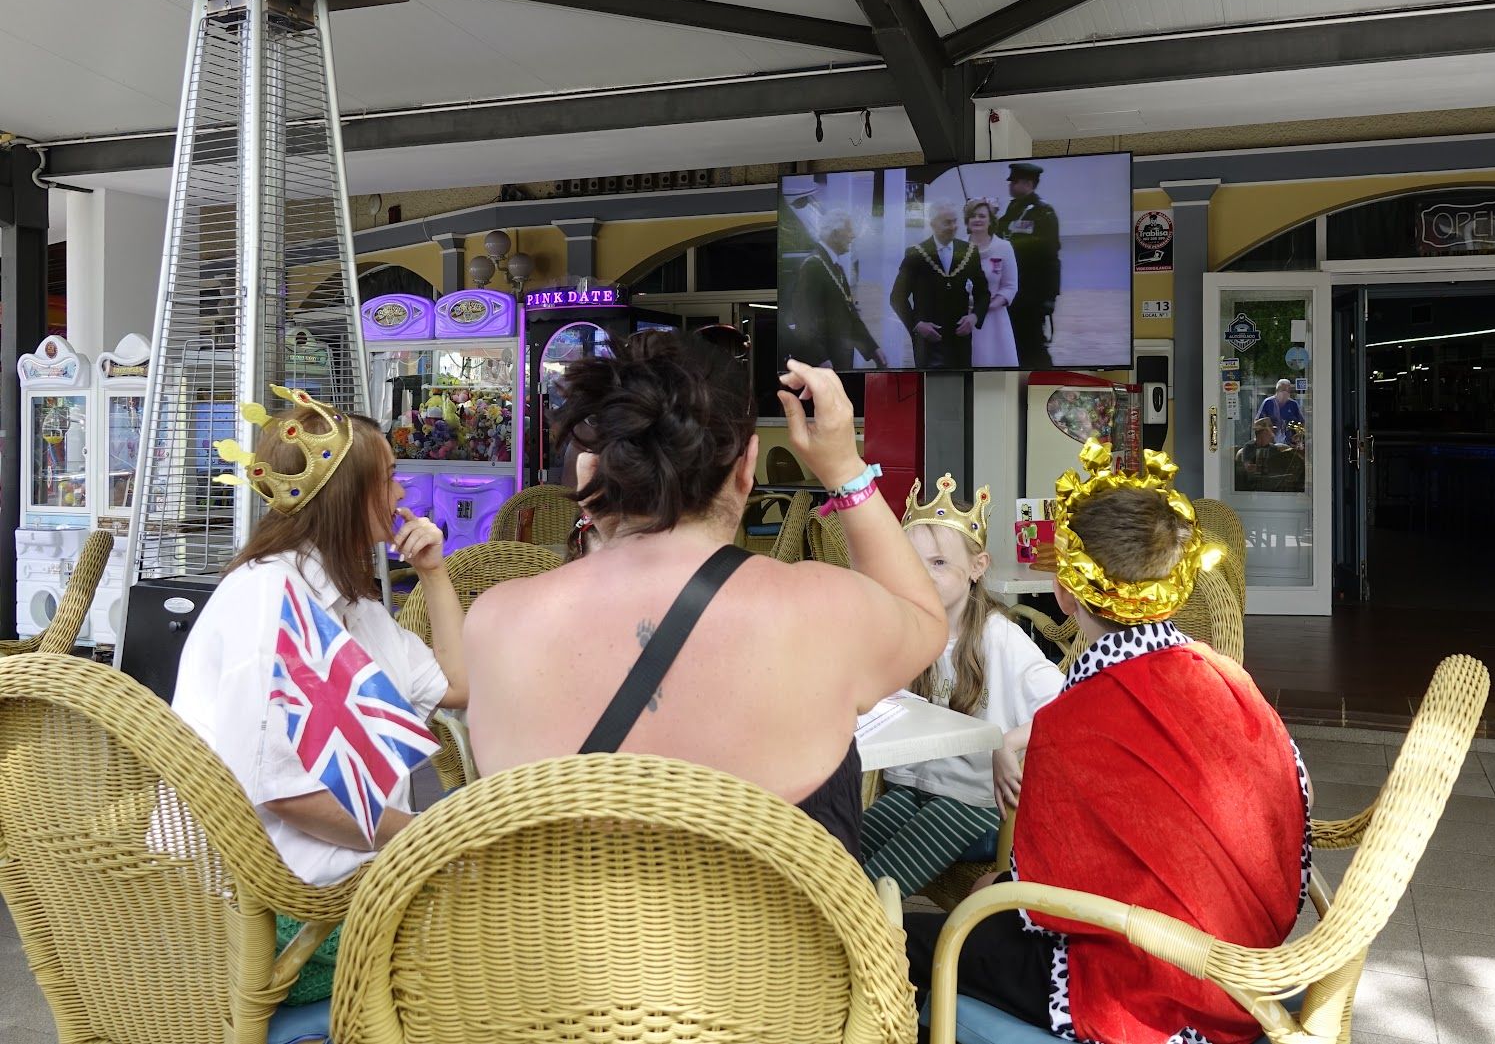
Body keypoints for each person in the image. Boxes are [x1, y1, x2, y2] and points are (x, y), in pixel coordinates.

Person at [463, 335, 947, 856]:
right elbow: (924, 617)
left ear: (600, 471)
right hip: (778, 937)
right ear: (747, 466)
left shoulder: (497, 622)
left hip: (559, 937)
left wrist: (595, 518)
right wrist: (844, 470)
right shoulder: (824, 611)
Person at [905, 446, 1311, 1044]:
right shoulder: (1231, 681)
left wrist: (996, 887)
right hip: (1253, 968)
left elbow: (1041, 899)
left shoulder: (1075, 723)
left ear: (1066, 595)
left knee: (910, 940)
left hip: (1154, 987)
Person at [173, 386, 467, 1002]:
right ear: (346, 497)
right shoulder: (268, 600)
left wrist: (437, 573)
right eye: (388, 479)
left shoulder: (348, 603)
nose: (402, 495)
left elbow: (457, 686)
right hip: (278, 916)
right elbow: (288, 798)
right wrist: (426, 836)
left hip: (338, 890)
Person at [859, 474, 1062, 897]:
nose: (922, 576)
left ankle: (860, 946)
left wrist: (1005, 743)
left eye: (938, 563)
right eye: (912, 563)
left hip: (976, 806)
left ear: (977, 567)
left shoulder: (998, 637)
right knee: (842, 850)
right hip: (914, 788)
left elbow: (1070, 704)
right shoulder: (906, 629)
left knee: (878, 882)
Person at [889, 203, 991, 370]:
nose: (953, 227)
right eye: (947, 222)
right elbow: (896, 297)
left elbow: (984, 294)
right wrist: (917, 325)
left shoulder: (969, 251)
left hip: (960, 339)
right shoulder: (916, 254)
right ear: (933, 225)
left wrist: (974, 317)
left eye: (955, 221)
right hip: (929, 340)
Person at [786, 207, 888, 370]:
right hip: (825, 364)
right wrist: (820, 359)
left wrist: (872, 348)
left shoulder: (834, 267)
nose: (853, 236)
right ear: (835, 234)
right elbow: (804, 319)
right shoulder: (813, 265)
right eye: (849, 231)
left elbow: (849, 314)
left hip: (837, 361)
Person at [995, 161, 1061, 368]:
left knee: (1033, 344)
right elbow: (999, 239)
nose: (1010, 186)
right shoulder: (1012, 210)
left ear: (1027, 183)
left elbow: (1051, 258)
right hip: (1010, 291)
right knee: (1013, 343)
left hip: (1032, 294)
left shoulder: (1043, 213)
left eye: (1013, 182)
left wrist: (1050, 298)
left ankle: (1046, 379)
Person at [964, 198, 1019, 368]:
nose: (977, 219)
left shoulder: (1004, 247)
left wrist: (986, 307)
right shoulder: (958, 249)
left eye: (982, 216)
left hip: (994, 320)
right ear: (967, 221)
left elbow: (1010, 286)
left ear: (990, 220)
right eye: (972, 216)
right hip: (964, 319)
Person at [1257, 378, 1305, 443]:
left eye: (1288, 390)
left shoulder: (1293, 404)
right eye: (1284, 390)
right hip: (1270, 442)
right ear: (1277, 390)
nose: (1286, 392)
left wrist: (1297, 435)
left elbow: (1301, 422)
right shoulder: (1268, 402)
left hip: (1289, 442)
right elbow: (1259, 421)